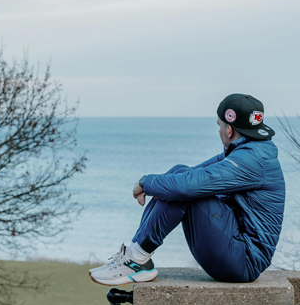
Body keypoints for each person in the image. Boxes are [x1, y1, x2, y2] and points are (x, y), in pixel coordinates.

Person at [89, 93, 286, 286]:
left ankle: (137, 259)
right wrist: (157, 183)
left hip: (243, 262)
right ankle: (135, 254)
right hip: (235, 251)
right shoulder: (249, 153)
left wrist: (145, 182)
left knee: (184, 189)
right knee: (178, 176)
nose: (218, 132)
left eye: (219, 126)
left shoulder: (252, 160)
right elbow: (187, 176)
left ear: (229, 130)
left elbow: (187, 186)